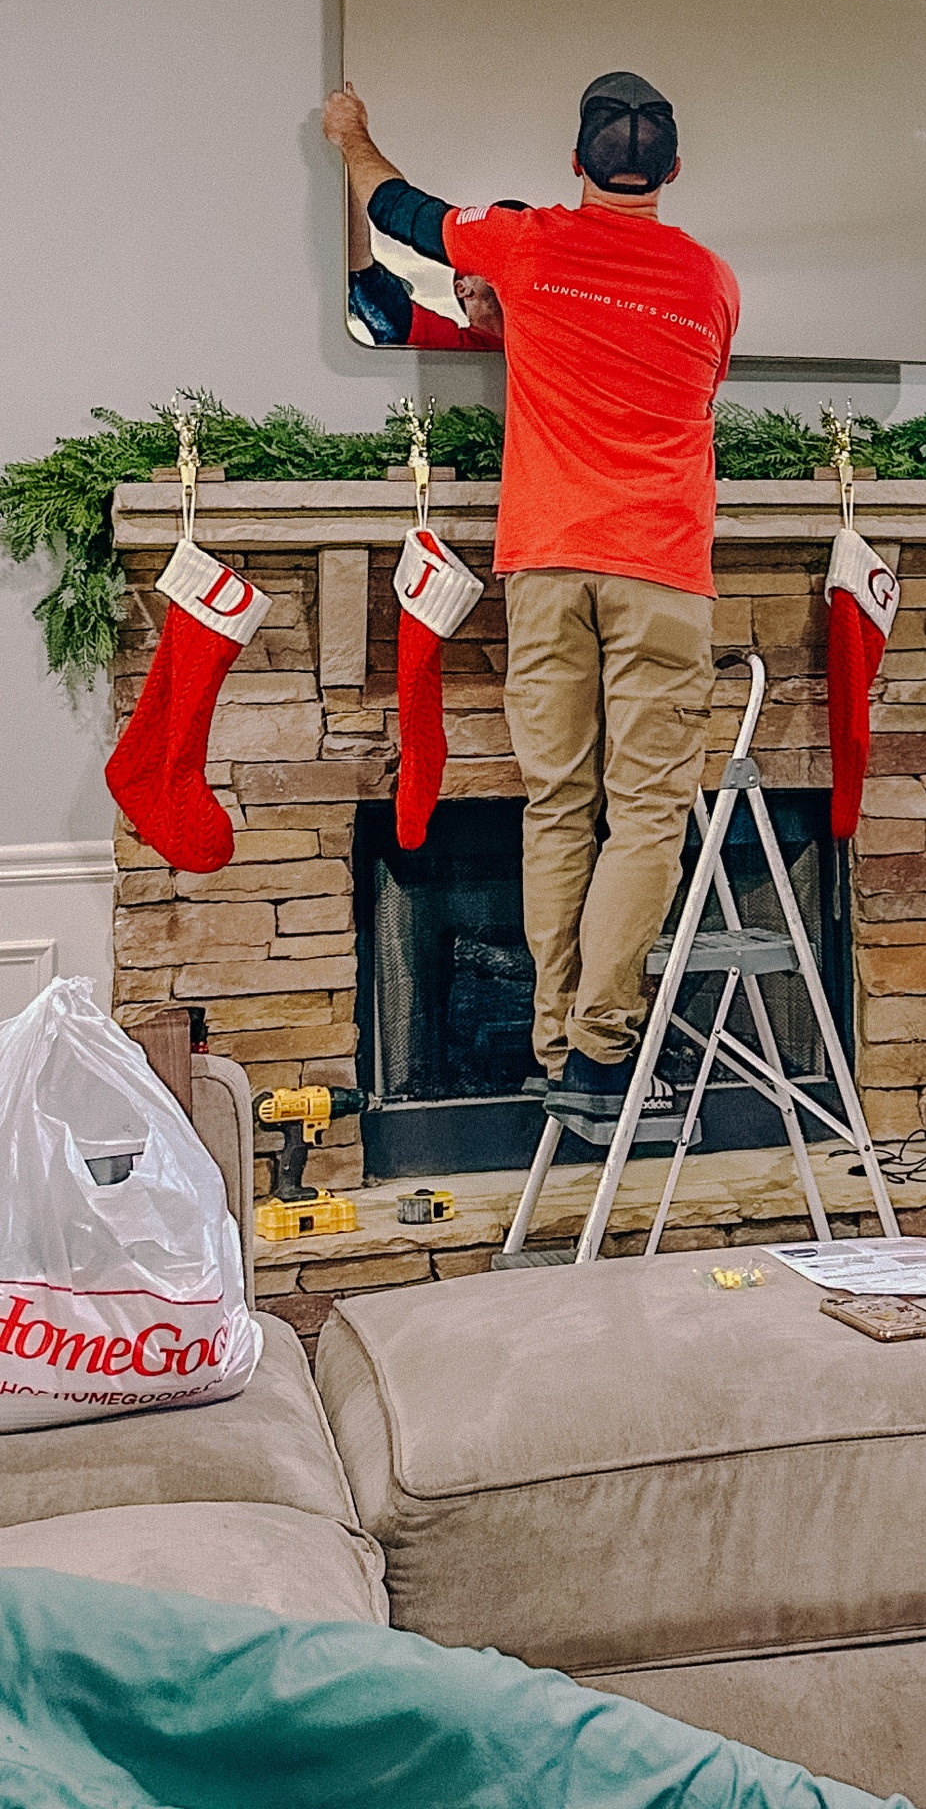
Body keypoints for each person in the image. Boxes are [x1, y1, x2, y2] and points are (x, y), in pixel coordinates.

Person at [322, 73, 741, 1131]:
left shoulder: (527, 242)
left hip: (547, 562)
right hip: (660, 565)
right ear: (674, 171)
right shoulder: (710, 278)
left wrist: (351, 135)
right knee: (643, 812)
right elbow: (665, 384)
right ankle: (605, 1053)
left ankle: (557, 1042)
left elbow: (398, 209)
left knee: (558, 804)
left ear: (577, 161)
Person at [346, 180, 511, 350]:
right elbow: (367, 282)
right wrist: (350, 172)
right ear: (462, 288)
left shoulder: (537, 341)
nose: (509, 258)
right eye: (489, 252)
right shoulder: (450, 346)